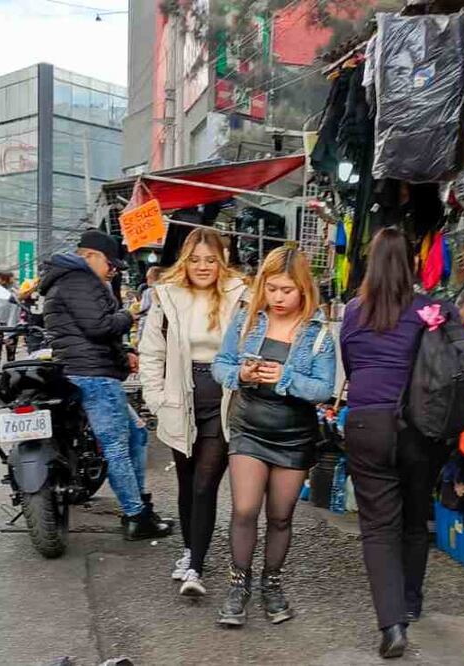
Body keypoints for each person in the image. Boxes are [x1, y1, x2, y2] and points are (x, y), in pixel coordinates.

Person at [339, 227, 454, 659]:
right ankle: (411, 601)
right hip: (416, 426)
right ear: (411, 263)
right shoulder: (430, 309)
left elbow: (351, 364)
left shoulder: (353, 312)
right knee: (414, 515)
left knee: (378, 527)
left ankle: (392, 626)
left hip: (367, 424)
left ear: (370, 262)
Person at [212, 246, 335, 627]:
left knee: (280, 517)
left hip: (295, 435)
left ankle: (272, 584)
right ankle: (238, 586)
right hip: (248, 426)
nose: (278, 298)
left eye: (287, 290)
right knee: (245, 510)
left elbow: (323, 389)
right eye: (272, 288)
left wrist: (285, 378)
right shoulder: (248, 321)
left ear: (304, 290)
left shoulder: (319, 334)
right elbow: (220, 365)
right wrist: (242, 376)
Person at [40, 229, 172, 541]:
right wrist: (131, 313)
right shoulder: (80, 279)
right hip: (94, 375)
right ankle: (136, 516)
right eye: (110, 265)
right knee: (116, 445)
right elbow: (100, 326)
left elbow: (90, 328)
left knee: (137, 434)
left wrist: (124, 351)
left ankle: (140, 506)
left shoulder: (66, 279)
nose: (112, 271)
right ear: (90, 256)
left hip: (84, 370)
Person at [138, 229, 246, 596]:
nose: (203, 267)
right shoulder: (166, 296)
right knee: (186, 483)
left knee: (205, 483)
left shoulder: (241, 295)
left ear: (223, 259)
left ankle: (196, 567)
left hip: (224, 398)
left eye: (210, 260)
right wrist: (155, 399)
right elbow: (151, 353)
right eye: (196, 260)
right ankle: (189, 551)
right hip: (179, 397)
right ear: (186, 260)